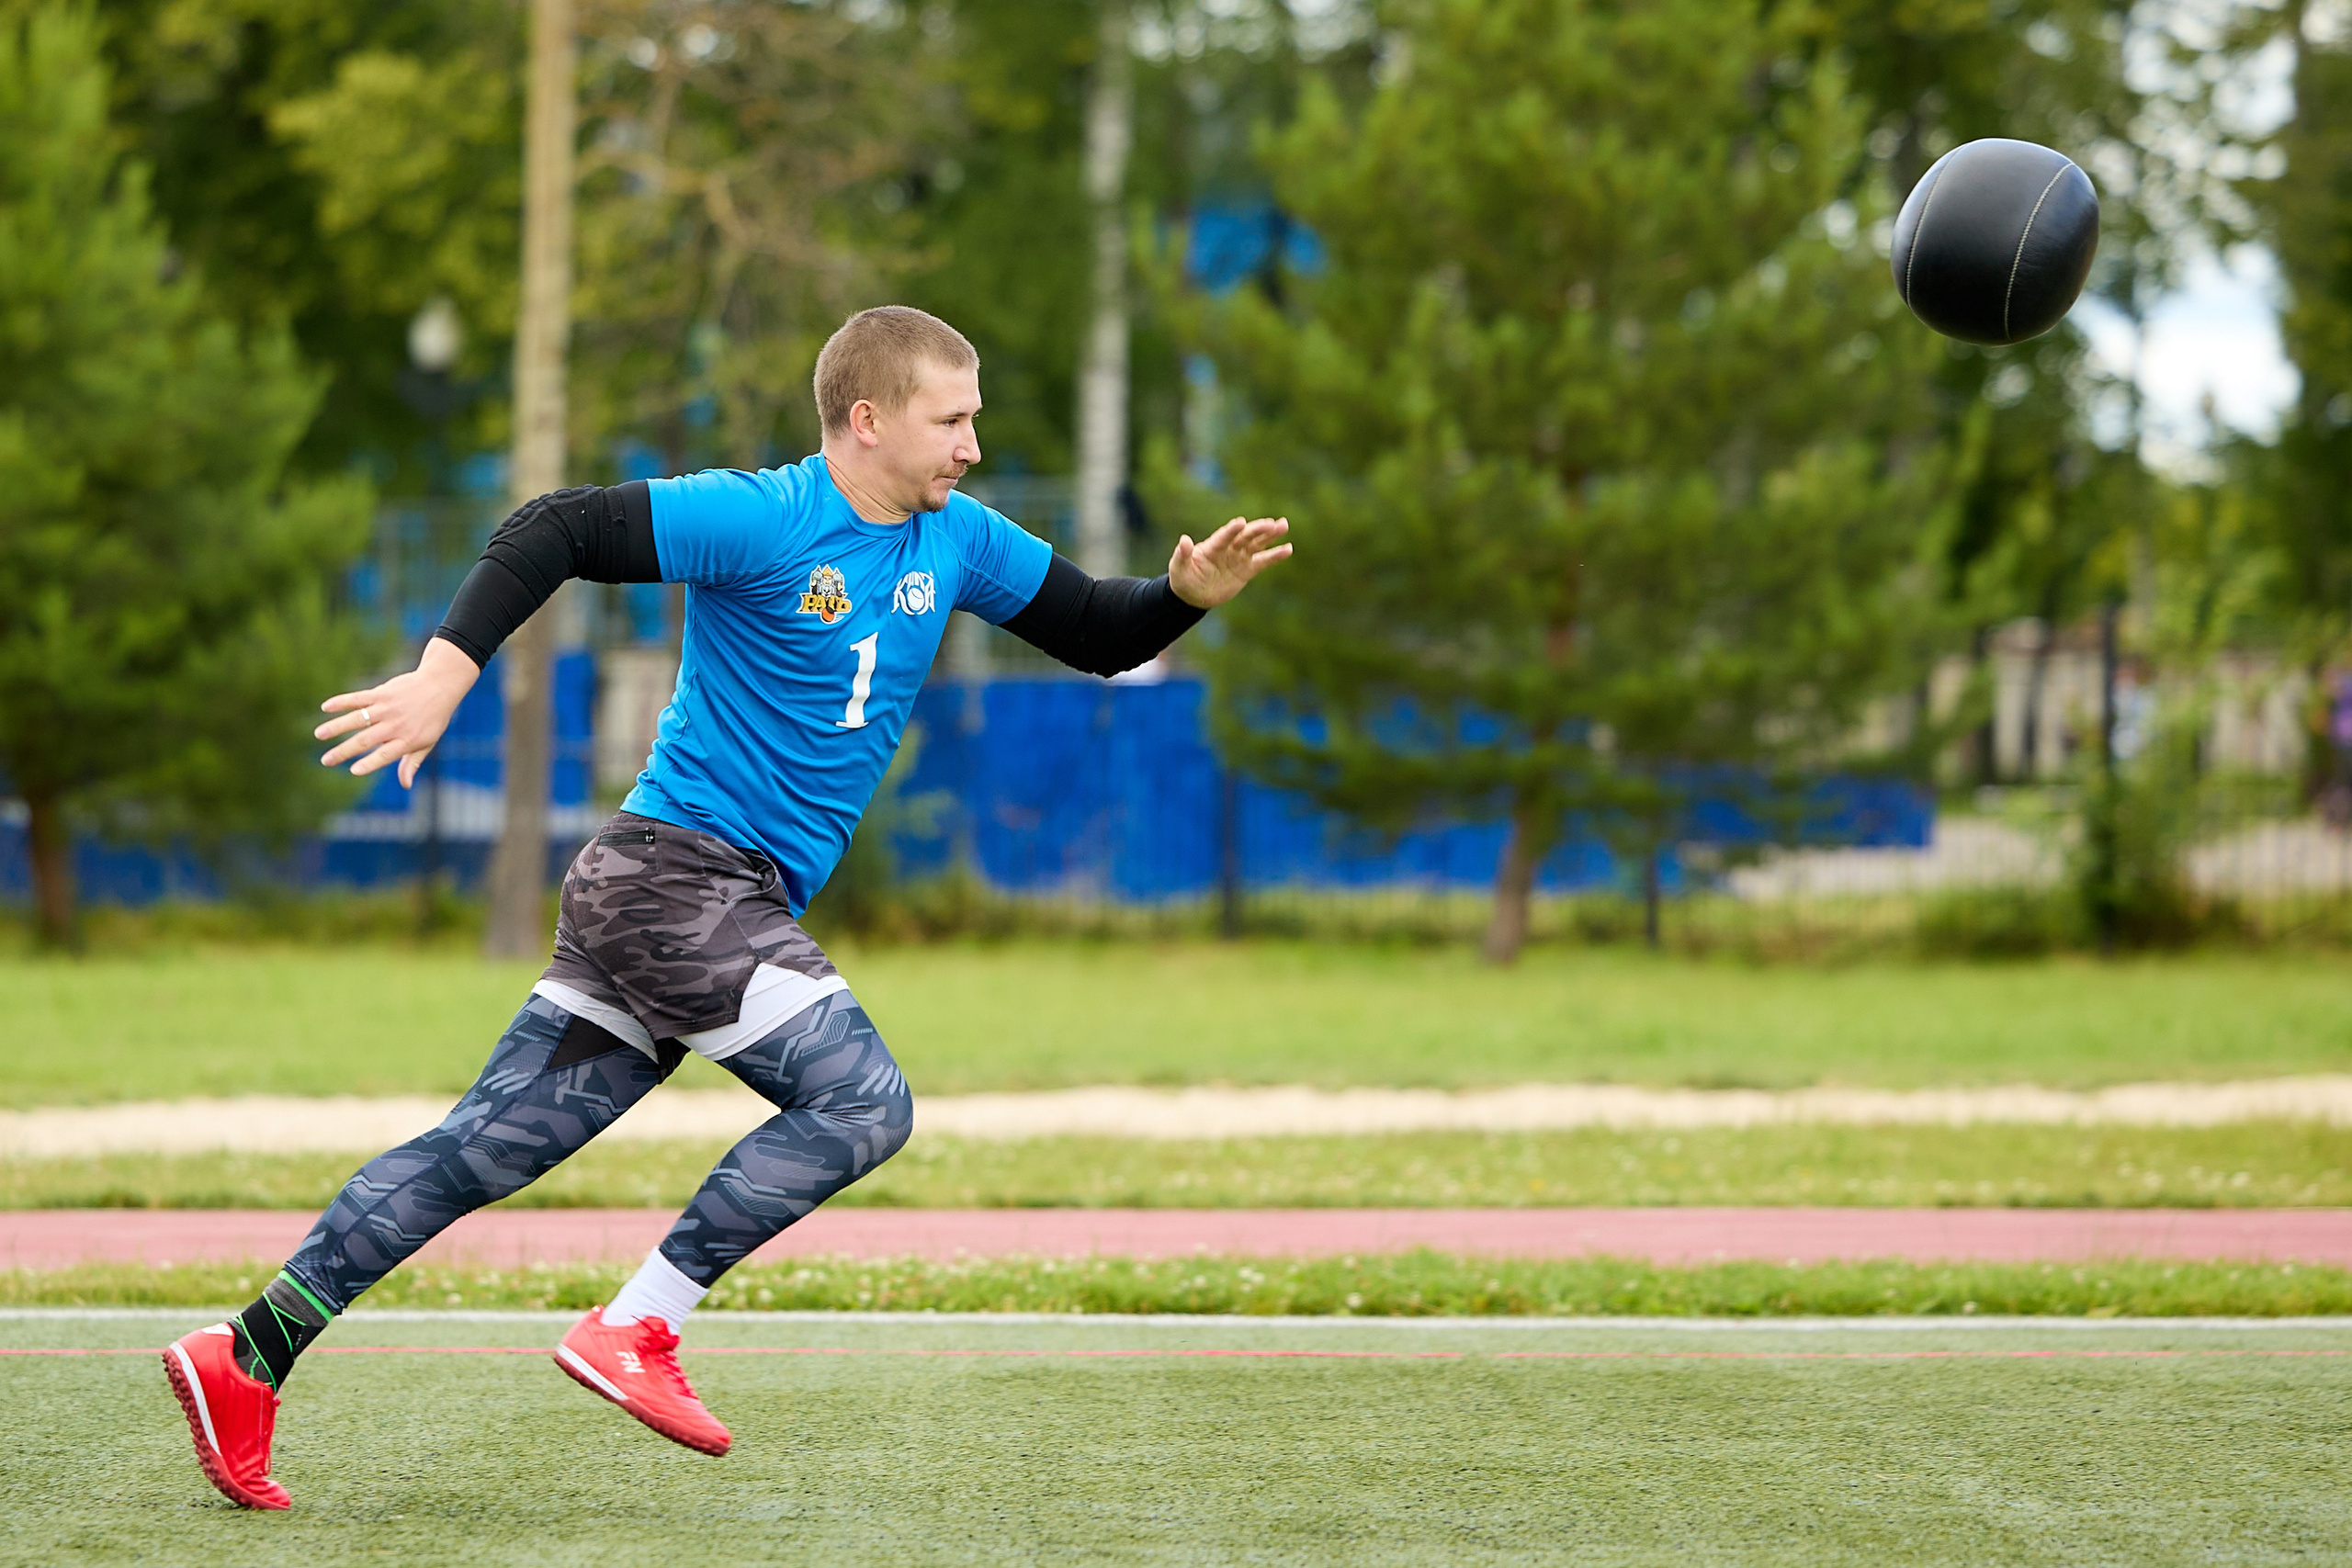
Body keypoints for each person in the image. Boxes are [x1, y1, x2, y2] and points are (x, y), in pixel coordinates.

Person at [160, 306, 1291, 1509]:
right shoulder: (764, 516)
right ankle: (637, 1328)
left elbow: (1100, 634)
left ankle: (247, 1357)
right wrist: (444, 675)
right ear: (867, 421)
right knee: (862, 1102)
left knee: (480, 1152)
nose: (971, 444)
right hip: (677, 882)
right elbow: (554, 529)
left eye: (974, 419)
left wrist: (1182, 595)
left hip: (668, 896)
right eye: (949, 419)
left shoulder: (956, 540)